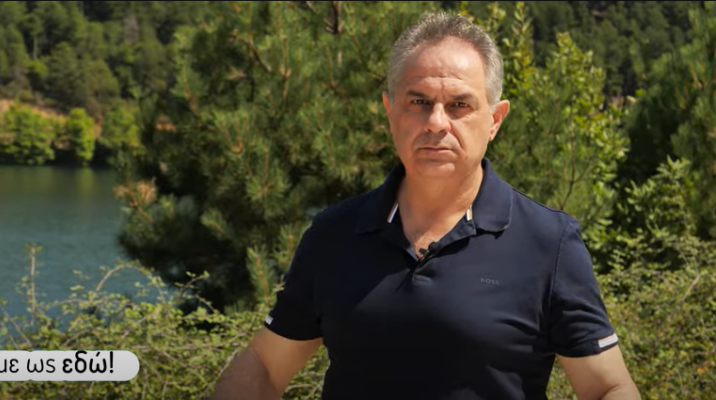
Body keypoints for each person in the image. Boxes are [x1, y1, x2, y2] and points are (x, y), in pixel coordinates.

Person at [210, 11, 640, 400]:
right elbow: (264, 367)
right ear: (389, 111)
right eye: (419, 102)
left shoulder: (548, 242)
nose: (436, 122)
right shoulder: (334, 234)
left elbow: (607, 387)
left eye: (459, 105)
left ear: (495, 120)